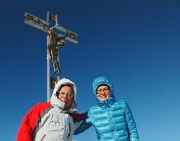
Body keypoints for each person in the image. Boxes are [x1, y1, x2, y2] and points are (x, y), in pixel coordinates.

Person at [16, 78, 89, 141]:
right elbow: (25, 128)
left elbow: (89, 117)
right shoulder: (42, 108)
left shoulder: (72, 118)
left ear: (72, 98)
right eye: (62, 93)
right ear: (56, 93)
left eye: (69, 94)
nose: (65, 96)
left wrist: (99, 108)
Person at [75, 76, 139, 141]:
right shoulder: (92, 112)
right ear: (95, 93)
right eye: (99, 90)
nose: (102, 93)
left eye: (105, 89)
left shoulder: (123, 105)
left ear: (110, 90)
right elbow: (77, 130)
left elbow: (132, 130)